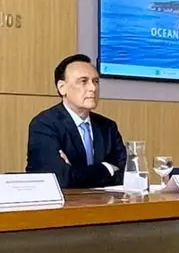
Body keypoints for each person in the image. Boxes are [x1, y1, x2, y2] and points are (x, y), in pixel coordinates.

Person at [25, 54, 127, 188]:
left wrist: (75, 172)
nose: (93, 88)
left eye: (96, 81)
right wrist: (106, 168)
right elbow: (61, 179)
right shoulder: (44, 124)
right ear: (62, 88)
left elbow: (126, 175)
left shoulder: (107, 127)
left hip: (104, 204)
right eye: (83, 81)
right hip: (61, 207)